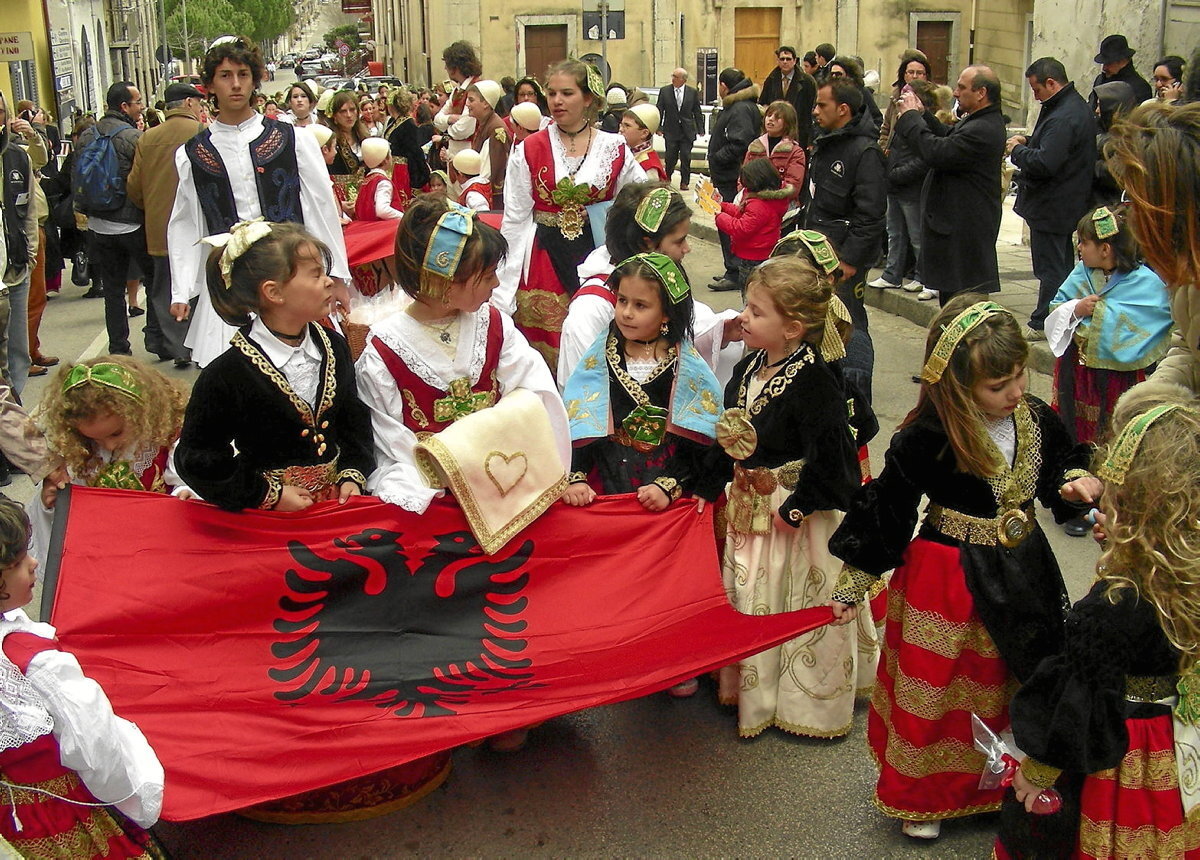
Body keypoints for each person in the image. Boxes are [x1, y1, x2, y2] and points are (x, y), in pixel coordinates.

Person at [826, 295, 1098, 840]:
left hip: (1024, 568)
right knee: (944, 685)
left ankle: (1009, 782)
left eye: (1020, 377)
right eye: (998, 387)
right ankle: (926, 795)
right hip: (947, 576)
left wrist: (1076, 487)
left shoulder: (1036, 419)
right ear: (955, 386)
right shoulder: (927, 436)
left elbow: (1059, 474)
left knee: (1010, 675)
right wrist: (856, 579)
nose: (1016, 392)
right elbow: (890, 507)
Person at [996, 389, 1200, 860]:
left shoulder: (1113, 605)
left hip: (1122, 749)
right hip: (1178, 734)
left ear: (1142, 516)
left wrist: (1038, 771)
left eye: (1113, 505)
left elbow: (1075, 702)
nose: (1097, 515)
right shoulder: (1184, 578)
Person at [694, 255, 865, 739]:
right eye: (747, 306)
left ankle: (796, 699)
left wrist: (799, 504)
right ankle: (749, 683)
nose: (742, 317)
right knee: (752, 594)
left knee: (787, 599)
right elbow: (729, 435)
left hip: (793, 516)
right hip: (749, 506)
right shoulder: (750, 365)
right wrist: (705, 486)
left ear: (792, 328)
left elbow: (834, 455)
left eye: (756, 311)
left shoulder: (816, 380)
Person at [357, 196, 568, 515]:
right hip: (435, 495)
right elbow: (389, 438)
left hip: (506, 482)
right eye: (486, 276)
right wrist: (446, 475)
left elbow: (537, 394)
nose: (496, 284)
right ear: (442, 282)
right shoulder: (385, 349)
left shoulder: (496, 326)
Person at [168, 35, 350, 369]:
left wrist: (336, 274)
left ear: (254, 80)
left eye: (243, 74)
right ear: (210, 84)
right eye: (225, 76)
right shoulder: (192, 153)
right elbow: (186, 221)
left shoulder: (291, 138)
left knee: (304, 366)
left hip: (290, 274)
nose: (235, 84)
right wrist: (181, 290)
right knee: (236, 378)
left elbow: (320, 208)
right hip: (228, 283)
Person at [0, 499, 165, 859]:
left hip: (15, 811)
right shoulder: (33, 660)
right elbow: (94, 741)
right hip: (63, 803)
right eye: (15, 563)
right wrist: (137, 790)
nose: (33, 563)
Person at [175, 221, 374, 512]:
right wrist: (266, 494)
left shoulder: (334, 345)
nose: (329, 281)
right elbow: (196, 457)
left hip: (336, 505)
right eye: (316, 274)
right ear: (274, 292)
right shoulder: (227, 374)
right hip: (267, 518)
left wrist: (352, 474)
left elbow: (352, 418)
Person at [496, 59, 645, 372]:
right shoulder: (529, 148)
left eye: (567, 93)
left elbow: (640, 200)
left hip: (598, 253)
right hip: (543, 258)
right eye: (551, 93)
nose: (557, 101)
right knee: (550, 342)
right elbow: (515, 217)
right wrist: (503, 281)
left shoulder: (614, 147)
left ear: (588, 98)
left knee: (596, 337)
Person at [561, 252, 721, 512]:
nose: (626, 313)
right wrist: (576, 475)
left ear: (667, 313)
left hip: (667, 491)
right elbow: (581, 425)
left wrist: (669, 485)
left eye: (640, 306)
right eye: (622, 301)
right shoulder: (599, 361)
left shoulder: (687, 369)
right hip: (606, 484)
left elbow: (698, 438)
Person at [559, 182, 741, 387]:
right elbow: (581, 391)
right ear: (647, 244)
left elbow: (686, 337)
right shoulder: (591, 309)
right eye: (679, 241)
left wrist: (722, 332)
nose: (687, 249)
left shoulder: (660, 283)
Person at [1044, 204, 1172, 465]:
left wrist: (1103, 311)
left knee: (1112, 421)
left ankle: (1111, 467)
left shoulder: (1144, 282)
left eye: (1084, 242)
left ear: (1105, 249)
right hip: (1076, 369)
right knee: (1072, 420)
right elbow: (1057, 305)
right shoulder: (1081, 273)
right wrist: (1076, 308)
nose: (1079, 248)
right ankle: (1072, 465)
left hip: (1117, 372)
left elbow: (1157, 316)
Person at [893, 65, 1007, 306]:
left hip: (965, 236)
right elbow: (949, 136)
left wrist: (911, 118)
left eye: (962, 88)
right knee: (952, 301)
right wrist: (923, 115)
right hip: (957, 230)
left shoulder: (983, 128)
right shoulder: (977, 121)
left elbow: (938, 152)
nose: (955, 93)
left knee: (962, 306)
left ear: (981, 93)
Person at [1107, 103, 1200, 394]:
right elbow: (1188, 342)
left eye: (1136, 200)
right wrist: (1150, 399)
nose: (1130, 213)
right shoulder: (1188, 273)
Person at [1008, 58, 1098, 338]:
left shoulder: (1063, 114)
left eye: (1036, 90)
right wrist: (1030, 141)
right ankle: (1060, 316)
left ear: (1051, 83)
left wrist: (1017, 151)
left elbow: (1047, 162)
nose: (1034, 97)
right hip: (1062, 202)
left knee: (1051, 268)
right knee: (1058, 265)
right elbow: (1055, 147)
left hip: (1053, 205)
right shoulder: (1069, 106)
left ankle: (1043, 321)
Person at [806, 77, 886, 375]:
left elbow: (872, 214)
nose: (815, 111)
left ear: (843, 109)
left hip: (843, 260)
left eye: (821, 105)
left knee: (848, 321)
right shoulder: (826, 144)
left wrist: (850, 260)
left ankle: (855, 383)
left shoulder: (865, 153)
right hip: (818, 251)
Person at [126, 81, 205, 370]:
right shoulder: (200, 133)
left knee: (162, 289)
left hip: (159, 226)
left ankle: (178, 345)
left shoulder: (147, 137)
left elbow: (133, 186)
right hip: (198, 225)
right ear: (187, 104)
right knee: (198, 282)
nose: (199, 107)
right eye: (197, 102)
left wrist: (153, 206)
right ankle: (198, 342)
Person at [70, 82, 149, 361]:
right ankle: (157, 337)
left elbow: (76, 178)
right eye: (137, 101)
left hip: (98, 225)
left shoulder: (86, 137)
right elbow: (144, 182)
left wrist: (84, 212)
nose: (141, 107)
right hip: (132, 224)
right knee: (153, 281)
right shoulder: (134, 137)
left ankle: (118, 348)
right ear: (124, 107)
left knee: (112, 289)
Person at [869, 79, 936, 296]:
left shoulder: (920, 123)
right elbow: (890, 143)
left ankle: (925, 278)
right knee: (894, 233)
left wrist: (898, 174)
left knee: (917, 235)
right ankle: (892, 274)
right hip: (894, 184)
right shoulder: (900, 119)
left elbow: (923, 157)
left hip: (911, 186)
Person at [706, 67, 762, 293]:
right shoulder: (738, 106)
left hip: (731, 175)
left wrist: (717, 158)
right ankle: (733, 269)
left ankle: (735, 271)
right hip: (728, 175)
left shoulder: (739, 108)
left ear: (724, 85)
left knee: (729, 223)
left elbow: (739, 142)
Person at [715, 158, 789, 296]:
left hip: (753, 255)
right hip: (763, 252)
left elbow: (741, 228)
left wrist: (720, 217)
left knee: (749, 292)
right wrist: (723, 206)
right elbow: (742, 212)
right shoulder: (769, 200)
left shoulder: (759, 205)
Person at [744, 100, 806, 203]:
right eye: (768, 115)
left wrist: (768, 196)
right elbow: (743, 179)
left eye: (777, 117)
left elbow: (793, 185)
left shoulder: (795, 152)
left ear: (787, 122)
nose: (771, 119)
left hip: (783, 207)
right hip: (752, 204)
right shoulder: (754, 147)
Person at [758, 46, 818, 147]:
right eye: (782, 59)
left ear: (794, 61)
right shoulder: (771, 80)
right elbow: (763, 102)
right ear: (777, 61)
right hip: (776, 134)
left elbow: (811, 111)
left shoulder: (808, 82)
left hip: (799, 133)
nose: (785, 62)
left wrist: (811, 139)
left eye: (788, 59)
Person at [434, 41, 483, 163]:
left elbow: (464, 129)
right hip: (455, 155)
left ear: (455, 67)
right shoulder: (457, 90)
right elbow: (437, 120)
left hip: (469, 155)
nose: (445, 68)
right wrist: (450, 118)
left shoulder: (475, 89)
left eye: (447, 64)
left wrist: (447, 130)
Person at [656, 68, 705, 189]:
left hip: (687, 131)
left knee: (685, 157)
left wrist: (701, 129)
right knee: (670, 157)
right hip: (671, 130)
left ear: (683, 80)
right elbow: (659, 110)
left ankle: (685, 182)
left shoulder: (692, 92)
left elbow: (697, 112)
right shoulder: (665, 91)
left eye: (676, 77)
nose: (673, 79)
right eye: (672, 76)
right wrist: (658, 127)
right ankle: (667, 178)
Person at [877, 50, 932, 155]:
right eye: (911, 72)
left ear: (926, 76)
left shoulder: (933, 99)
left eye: (919, 73)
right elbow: (886, 128)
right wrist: (883, 148)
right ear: (904, 74)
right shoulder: (895, 97)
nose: (915, 76)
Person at [383, 87, 430, 206]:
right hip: (392, 168)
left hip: (403, 170)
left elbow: (415, 151)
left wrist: (418, 178)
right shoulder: (393, 122)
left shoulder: (409, 124)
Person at [465, 79, 508, 209]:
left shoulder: (496, 130)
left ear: (485, 103)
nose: (467, 104)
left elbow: (491, 172)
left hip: (491, 199)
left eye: (471, 100)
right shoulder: (483, 123)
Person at [1089, 34, 1153, 110]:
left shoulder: (1140, 88)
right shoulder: (1100, 80)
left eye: (1109, 63)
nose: (1104, 68)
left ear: (1123, 61)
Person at [827, 57, 883, 131]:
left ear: (848, 75)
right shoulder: (828, 93)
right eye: (832, 74)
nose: (834, 77)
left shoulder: (862, 92)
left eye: (838, 74)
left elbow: (876, 118)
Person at [354, 138, 405, 220]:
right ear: (385, 160)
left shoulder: (367, 180)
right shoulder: (383, 182)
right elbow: (382, 210)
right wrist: (403, 217)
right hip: (380, 228)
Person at [620, 104, 666, 180]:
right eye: (621, 125)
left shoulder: (649, 166)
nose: (621, 129)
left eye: (627, 126)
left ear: (644, 133)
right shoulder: (627, 152)